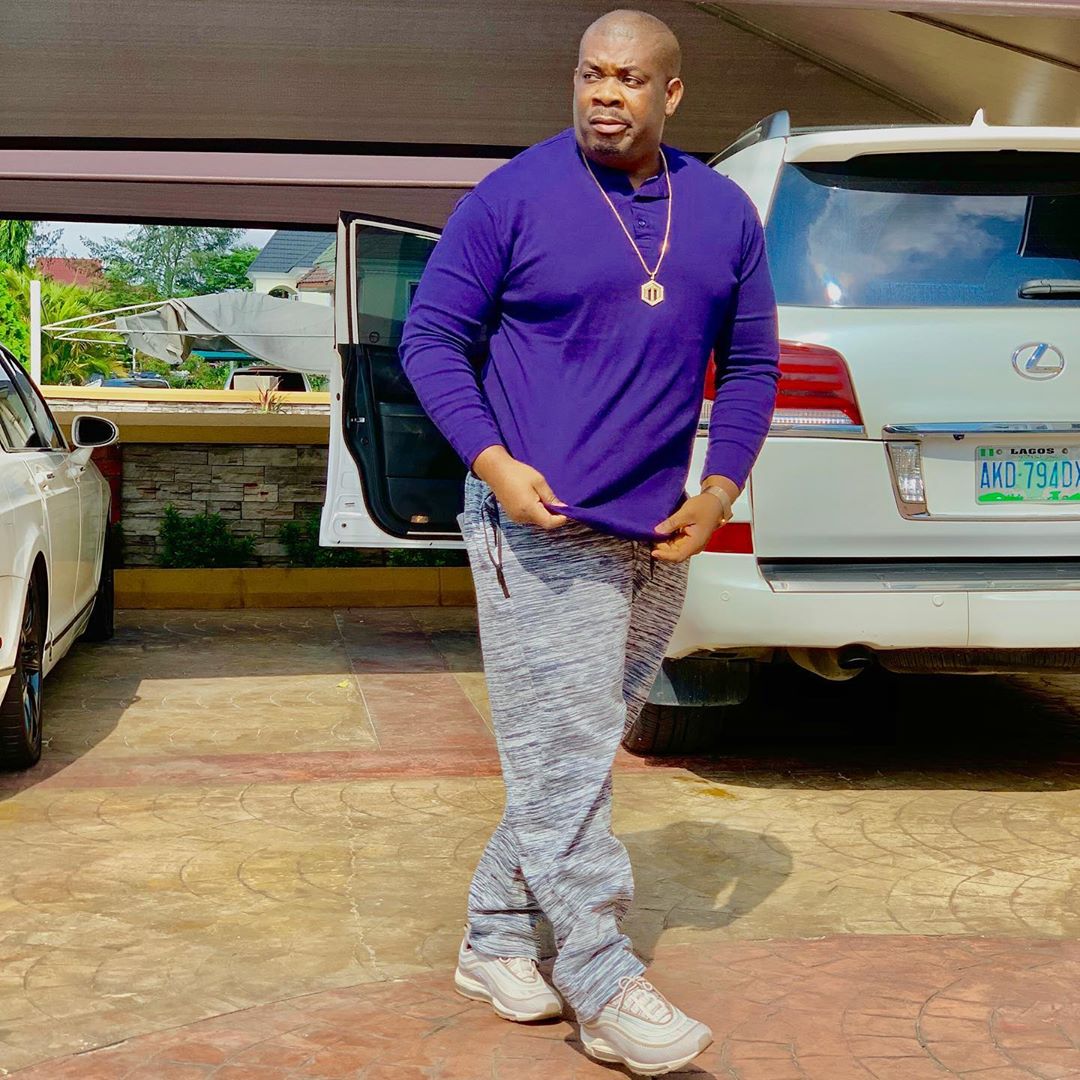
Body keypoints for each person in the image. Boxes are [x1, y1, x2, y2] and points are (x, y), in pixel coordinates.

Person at [400, 8, 779, 1075]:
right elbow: (430, 338)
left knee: (568, 754)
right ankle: (605, 981)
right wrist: (493, 465)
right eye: (590, 74)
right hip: (541, 524)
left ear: (672, 94)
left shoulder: (721, 213)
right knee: (566, 762)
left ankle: (494, 937)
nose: (606, 94)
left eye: (629, 79)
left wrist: (720, 487)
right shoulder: (511, 196)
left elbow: (752, 364)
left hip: (655, 531)